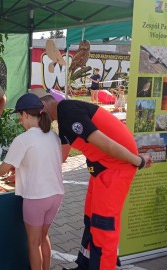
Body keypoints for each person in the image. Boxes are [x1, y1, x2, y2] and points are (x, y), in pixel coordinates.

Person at [30, 88, 153, 270]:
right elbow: (59, 158)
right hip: (102, 169)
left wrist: (139, 161)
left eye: (36, 114)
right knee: (90, 220)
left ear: (44, 105)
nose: (38, 120)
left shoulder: (67, 110)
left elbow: (105, 143)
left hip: (117, 167)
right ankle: (86, 265)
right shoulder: (64, 120)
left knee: (103, 226)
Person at [0, 93, 64, 270]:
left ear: (26, 115)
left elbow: (3, 168)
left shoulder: (23, 139)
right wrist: (19, 173)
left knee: (34, 243)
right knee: (44, 237)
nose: (19, 120)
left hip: (37, 197)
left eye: (20, 116)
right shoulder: (52, 136)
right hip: (56, 195)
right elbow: (42, 163)